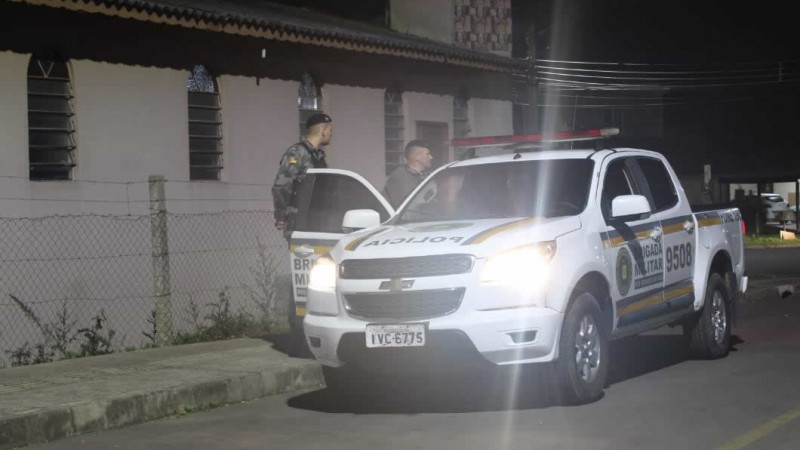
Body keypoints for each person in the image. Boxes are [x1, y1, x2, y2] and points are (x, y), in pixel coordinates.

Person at [271, 113, 333, 232]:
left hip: (316, 220)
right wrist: (281, 216)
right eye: (330, 129)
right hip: (300, 222)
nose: (331, 133)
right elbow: (282, 185)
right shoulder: (297, 153)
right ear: (323, 130)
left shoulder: (318, 157)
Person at [382, 140, 433, 208]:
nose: (431, 157)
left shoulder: (422, 175)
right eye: (428, 154)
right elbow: (405, 209)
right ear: (417, 157)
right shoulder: (400, 176)